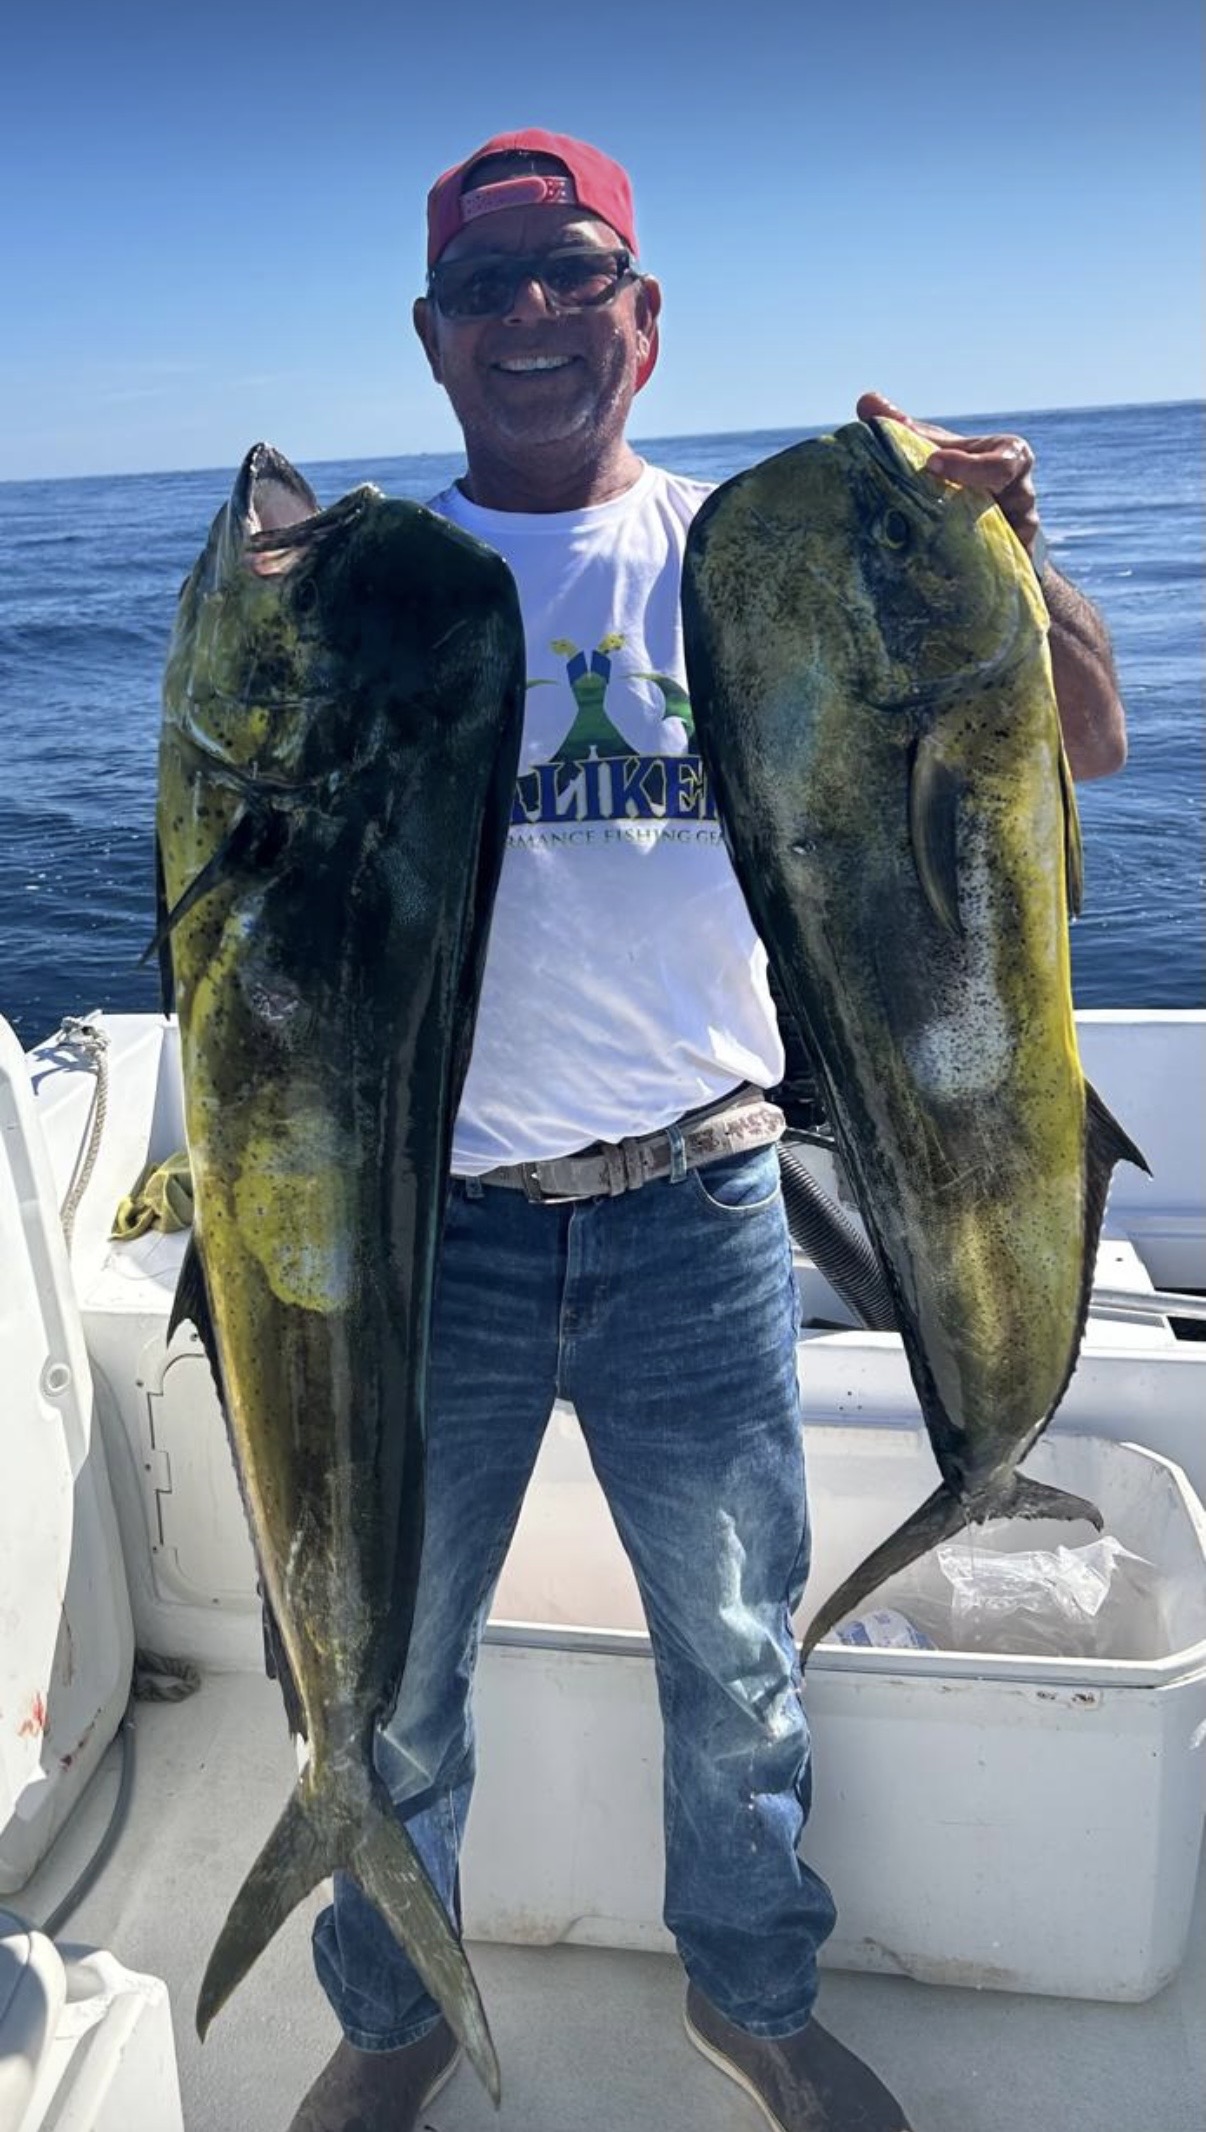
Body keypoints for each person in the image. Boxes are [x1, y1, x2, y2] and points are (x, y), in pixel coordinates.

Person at [288, 129, 1127, 2132]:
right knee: (389, 1677)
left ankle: (750, 1996)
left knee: (741, 1661)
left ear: (643, 319)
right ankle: (394, 2017)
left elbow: (1080, 742)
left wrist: (1015, 553)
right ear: (431, 337)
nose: (533, 313)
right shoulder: (368, 599)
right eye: (486, 287)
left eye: (573, 272)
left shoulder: (761, 565)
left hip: (704, 1208)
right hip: (433, 1237)